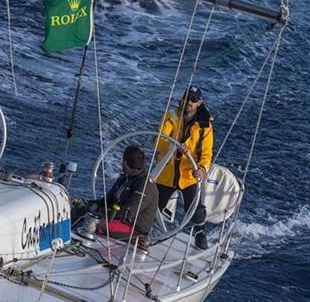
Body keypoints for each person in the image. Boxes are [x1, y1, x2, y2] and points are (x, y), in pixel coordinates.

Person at [155, 85, 213, 249]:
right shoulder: (171, 116)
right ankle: (141, 234)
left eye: (193, 100)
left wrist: (202, 169)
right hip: (166, 173)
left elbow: (206, 153)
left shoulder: (205, 126)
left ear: (199, 103)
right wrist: (174, 146)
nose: (189, 102)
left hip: (189, 175)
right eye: (187, 98)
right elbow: (159, 140)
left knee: (195, 209)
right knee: (152, 206)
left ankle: (200, 235)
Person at [74, 145, 158, 246]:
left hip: (134, 229)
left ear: (125, 162)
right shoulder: (124, 179)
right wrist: (85, 204)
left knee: (93, 223)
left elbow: (128, 213)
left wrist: (101, 212)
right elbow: (106, 201)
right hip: (115, 218)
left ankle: (82, 246)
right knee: (79, 211)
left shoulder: (145, 185)